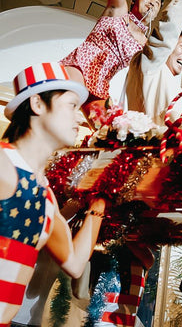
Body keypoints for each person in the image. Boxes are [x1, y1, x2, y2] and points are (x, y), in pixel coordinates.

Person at [0, 62, 106, 325]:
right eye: (71, 105)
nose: (78, 116)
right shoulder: (3, 161)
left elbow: (75, 263)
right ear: (37, 104)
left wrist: (102, 199)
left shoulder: (46, 197)